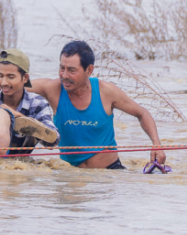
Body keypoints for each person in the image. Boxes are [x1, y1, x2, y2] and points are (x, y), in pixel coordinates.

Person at [24, 40, 166, 170]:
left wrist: (156, 144)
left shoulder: (107, 92)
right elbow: (14, 85)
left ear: (89, 70)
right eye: (62, 68)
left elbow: (142, 113)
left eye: (72, 70)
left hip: (109, 173)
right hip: (69, 175)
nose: (64, 75)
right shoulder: (52, 88)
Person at [0, 48, 59, 154]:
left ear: (25, 78)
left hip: (20, 165)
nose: (4, 82)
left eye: (11, 77)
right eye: (0, 76)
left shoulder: (37, 103)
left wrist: (20, 118)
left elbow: (53, 140)